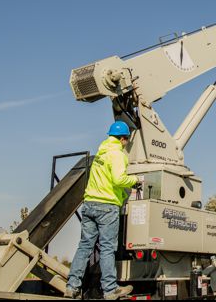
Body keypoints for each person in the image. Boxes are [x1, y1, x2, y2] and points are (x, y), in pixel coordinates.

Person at [65, 121, 143, 300]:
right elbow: (118, 179)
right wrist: (135, 180)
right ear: (123, 139)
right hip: (106, 207)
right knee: (107, 248)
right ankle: (110, 290)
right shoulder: (118, 154)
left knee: (85, 246)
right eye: (126, 140)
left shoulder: (101, 152)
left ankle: (72, 286)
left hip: (90, 203)